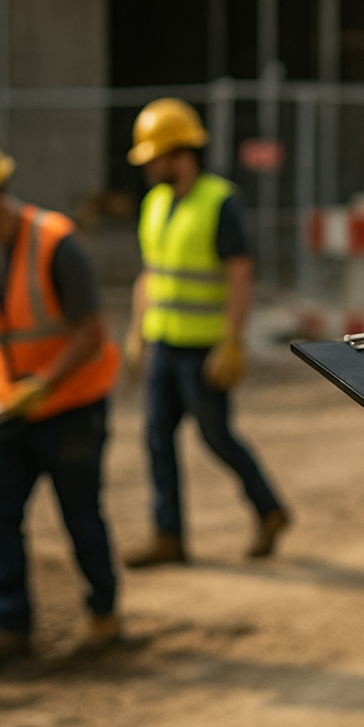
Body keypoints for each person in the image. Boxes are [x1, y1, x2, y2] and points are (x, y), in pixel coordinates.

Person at [0, 135, 123, 669]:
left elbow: (91, 332)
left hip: (73, 406)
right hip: (10, 408)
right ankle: (10, 623)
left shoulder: (57, 242)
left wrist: (47, 380)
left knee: (80, 514)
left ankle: (103, 614)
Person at [121, 98, 289, 567]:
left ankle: (270, 509)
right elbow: (150, 273)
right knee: (157, 437)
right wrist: (136, 334)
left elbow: (240, 274)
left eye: (153, 156)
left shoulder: (219, 201)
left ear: (179, 153)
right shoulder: (155, 203)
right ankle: (168, 535)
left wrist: (231, 339)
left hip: (203, 349)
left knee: (217, 438)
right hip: (163, 343)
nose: (148, 166)